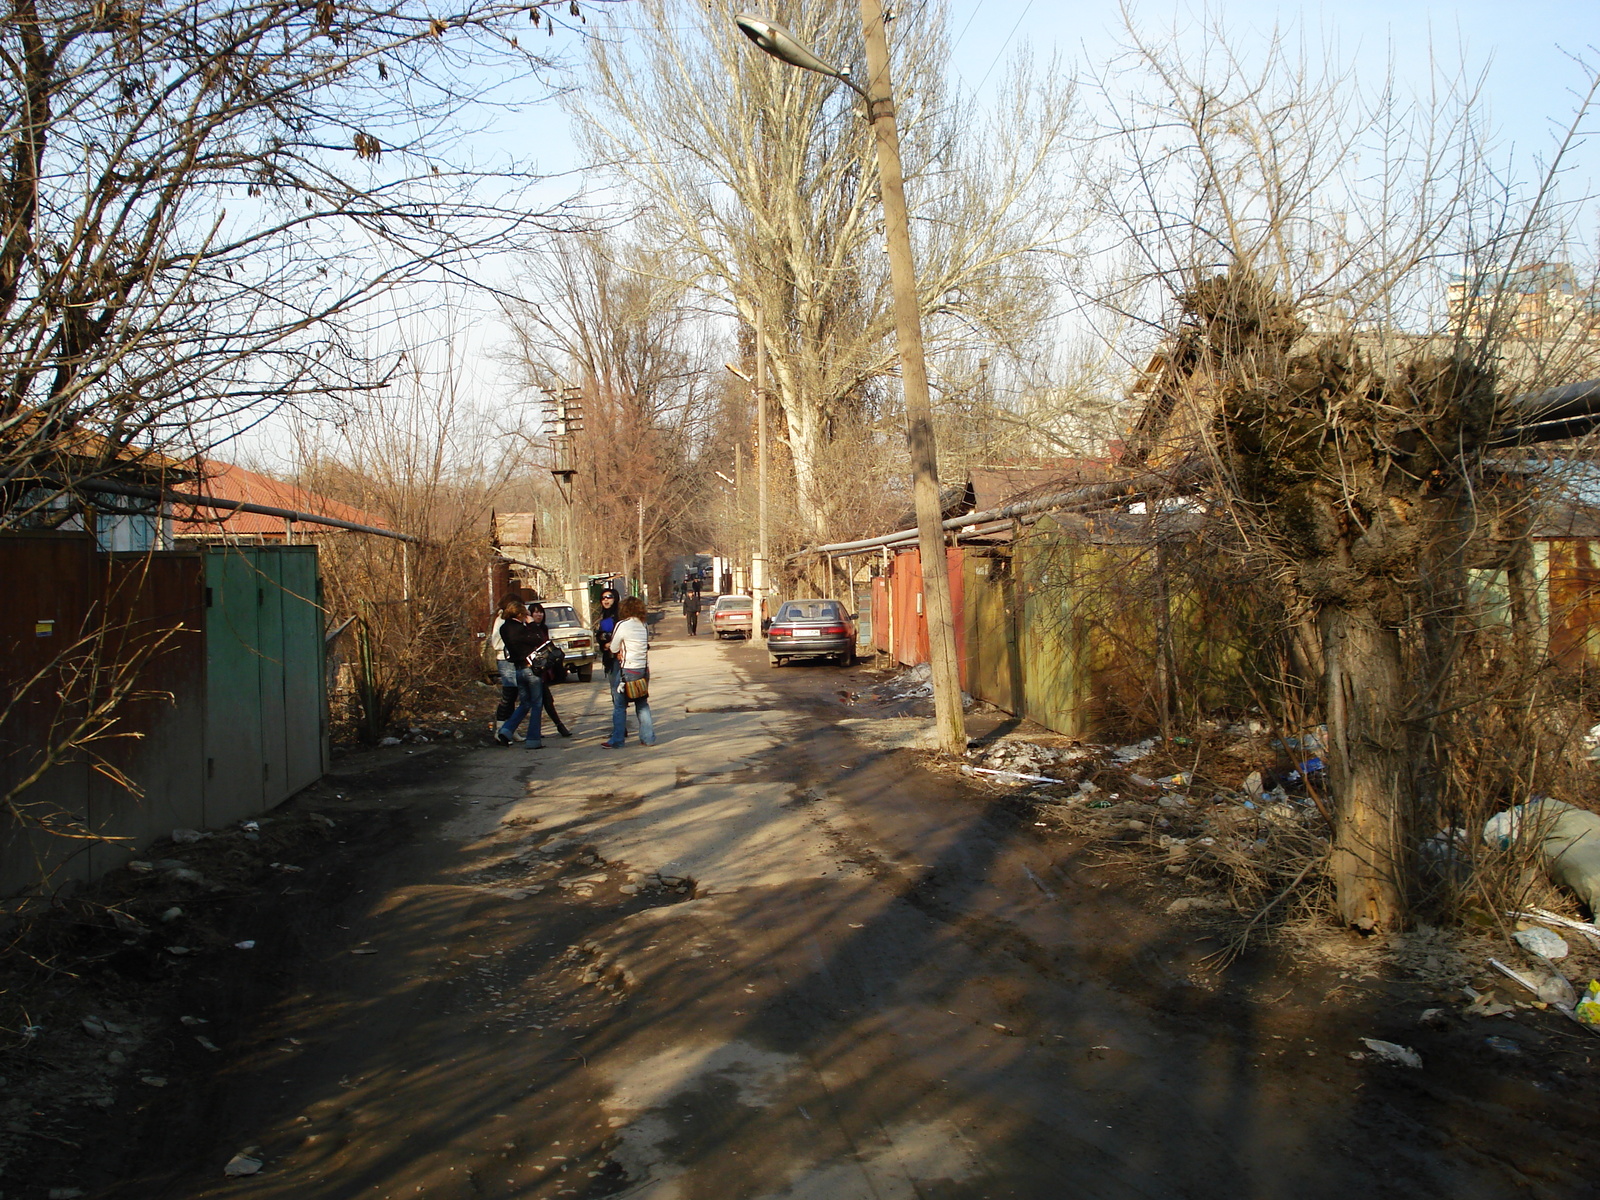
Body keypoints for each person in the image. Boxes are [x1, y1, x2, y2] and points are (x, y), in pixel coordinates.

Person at [604, 595, 654, 748]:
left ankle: (617, 740)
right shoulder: (643, 625)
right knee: (642, 704)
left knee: (619, 706)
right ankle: (648, 738)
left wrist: (609, 646)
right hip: (642, 669)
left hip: (627, 670)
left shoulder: (622, 625)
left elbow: (613, 648)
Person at [496, 604, 545, 748]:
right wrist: (532, 625)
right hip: (530, 669)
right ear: (519, 614)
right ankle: (533, 739)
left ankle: (506, 730)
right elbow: (538, 639)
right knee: (536, 703)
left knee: (525, 703)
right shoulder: (521, 629)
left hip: (517, 668)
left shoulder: (504, 628)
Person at [525, 603, 572, 738]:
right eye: (535, 612)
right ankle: (557, 727)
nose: (539, 615)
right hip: (533, 670)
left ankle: (536, 730)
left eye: (541, 612)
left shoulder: (544, 628)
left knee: (543, 700)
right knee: (540, 700)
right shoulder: (528, 629)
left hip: (544, 669)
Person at [488, 596, 522, 734]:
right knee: (508, 695)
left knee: (514, 696)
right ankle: (501, 729)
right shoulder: (501, 621)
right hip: (505, 659)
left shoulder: (513, 621)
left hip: (515, 659)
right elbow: (496, 643)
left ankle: (510, 729)